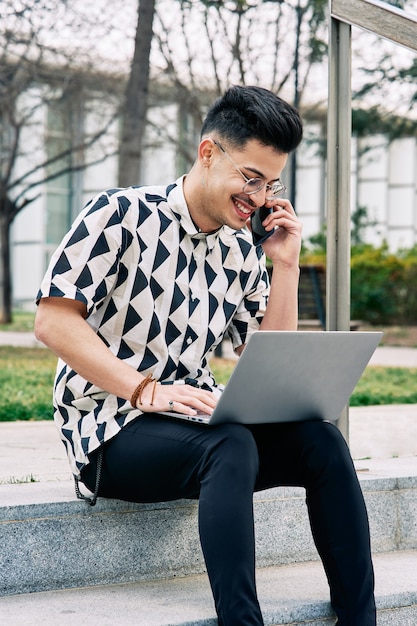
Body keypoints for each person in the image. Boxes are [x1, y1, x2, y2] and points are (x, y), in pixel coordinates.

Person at [34, 85, 376, 626]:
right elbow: (52, 320)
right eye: (250, 177)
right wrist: (146, 389)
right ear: (209, 152)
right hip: (108, 428)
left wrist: (284, 265)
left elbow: (267, 356)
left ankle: (362, 619)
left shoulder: (242, 249)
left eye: (270, 183)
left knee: (322, 439)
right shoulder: (119, 214)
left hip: (194, 422)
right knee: (231, 444)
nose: (260, 197)